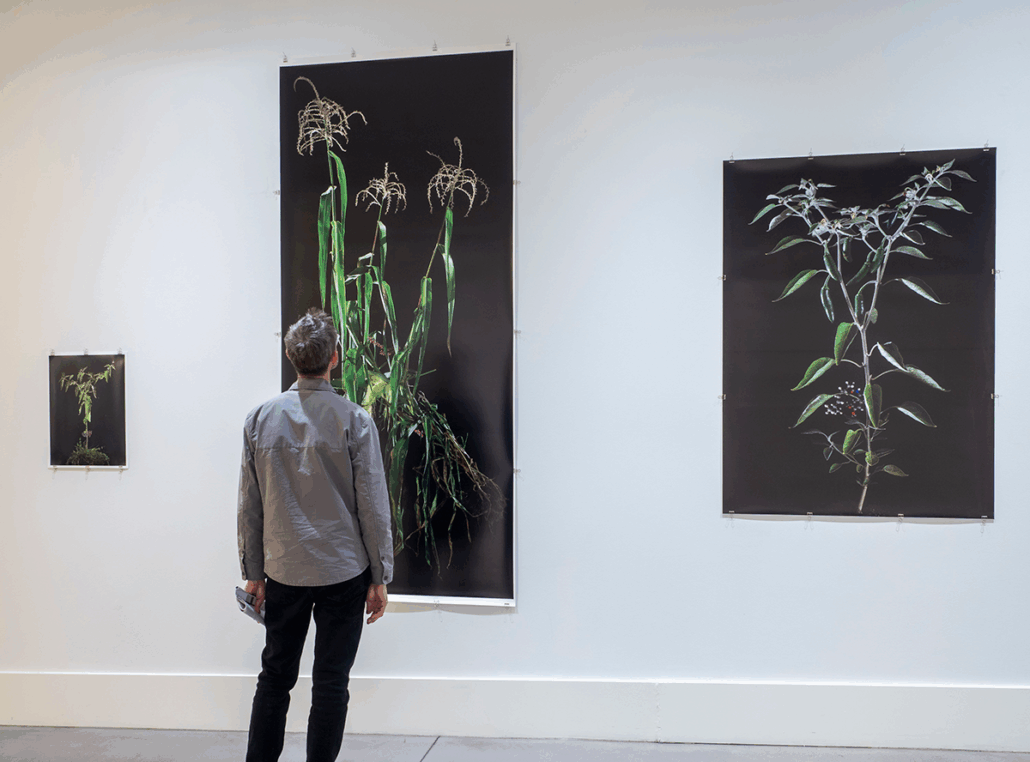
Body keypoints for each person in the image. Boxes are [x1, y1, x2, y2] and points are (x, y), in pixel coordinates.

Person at [238, 307, 394, 762]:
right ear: (335, 358)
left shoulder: (258, 420)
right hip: (343, 573)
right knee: (330, 683)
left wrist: (253, 573)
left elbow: (249, 505)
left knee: (274, 677)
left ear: (291, 356)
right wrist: (380, 575)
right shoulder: (355, 421)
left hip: (283, 570)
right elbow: (373, 507)